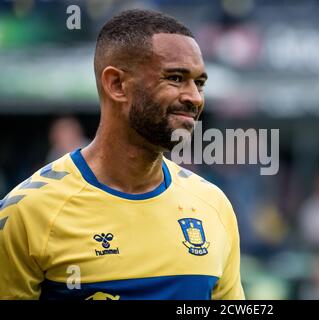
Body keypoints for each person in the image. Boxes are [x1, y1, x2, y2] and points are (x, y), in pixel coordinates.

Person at [0, 9, 244, 300]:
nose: (194, 97)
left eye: (199, 82)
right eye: (176, 78)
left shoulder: (213, 205)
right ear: (116, 84)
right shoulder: (27, 214)